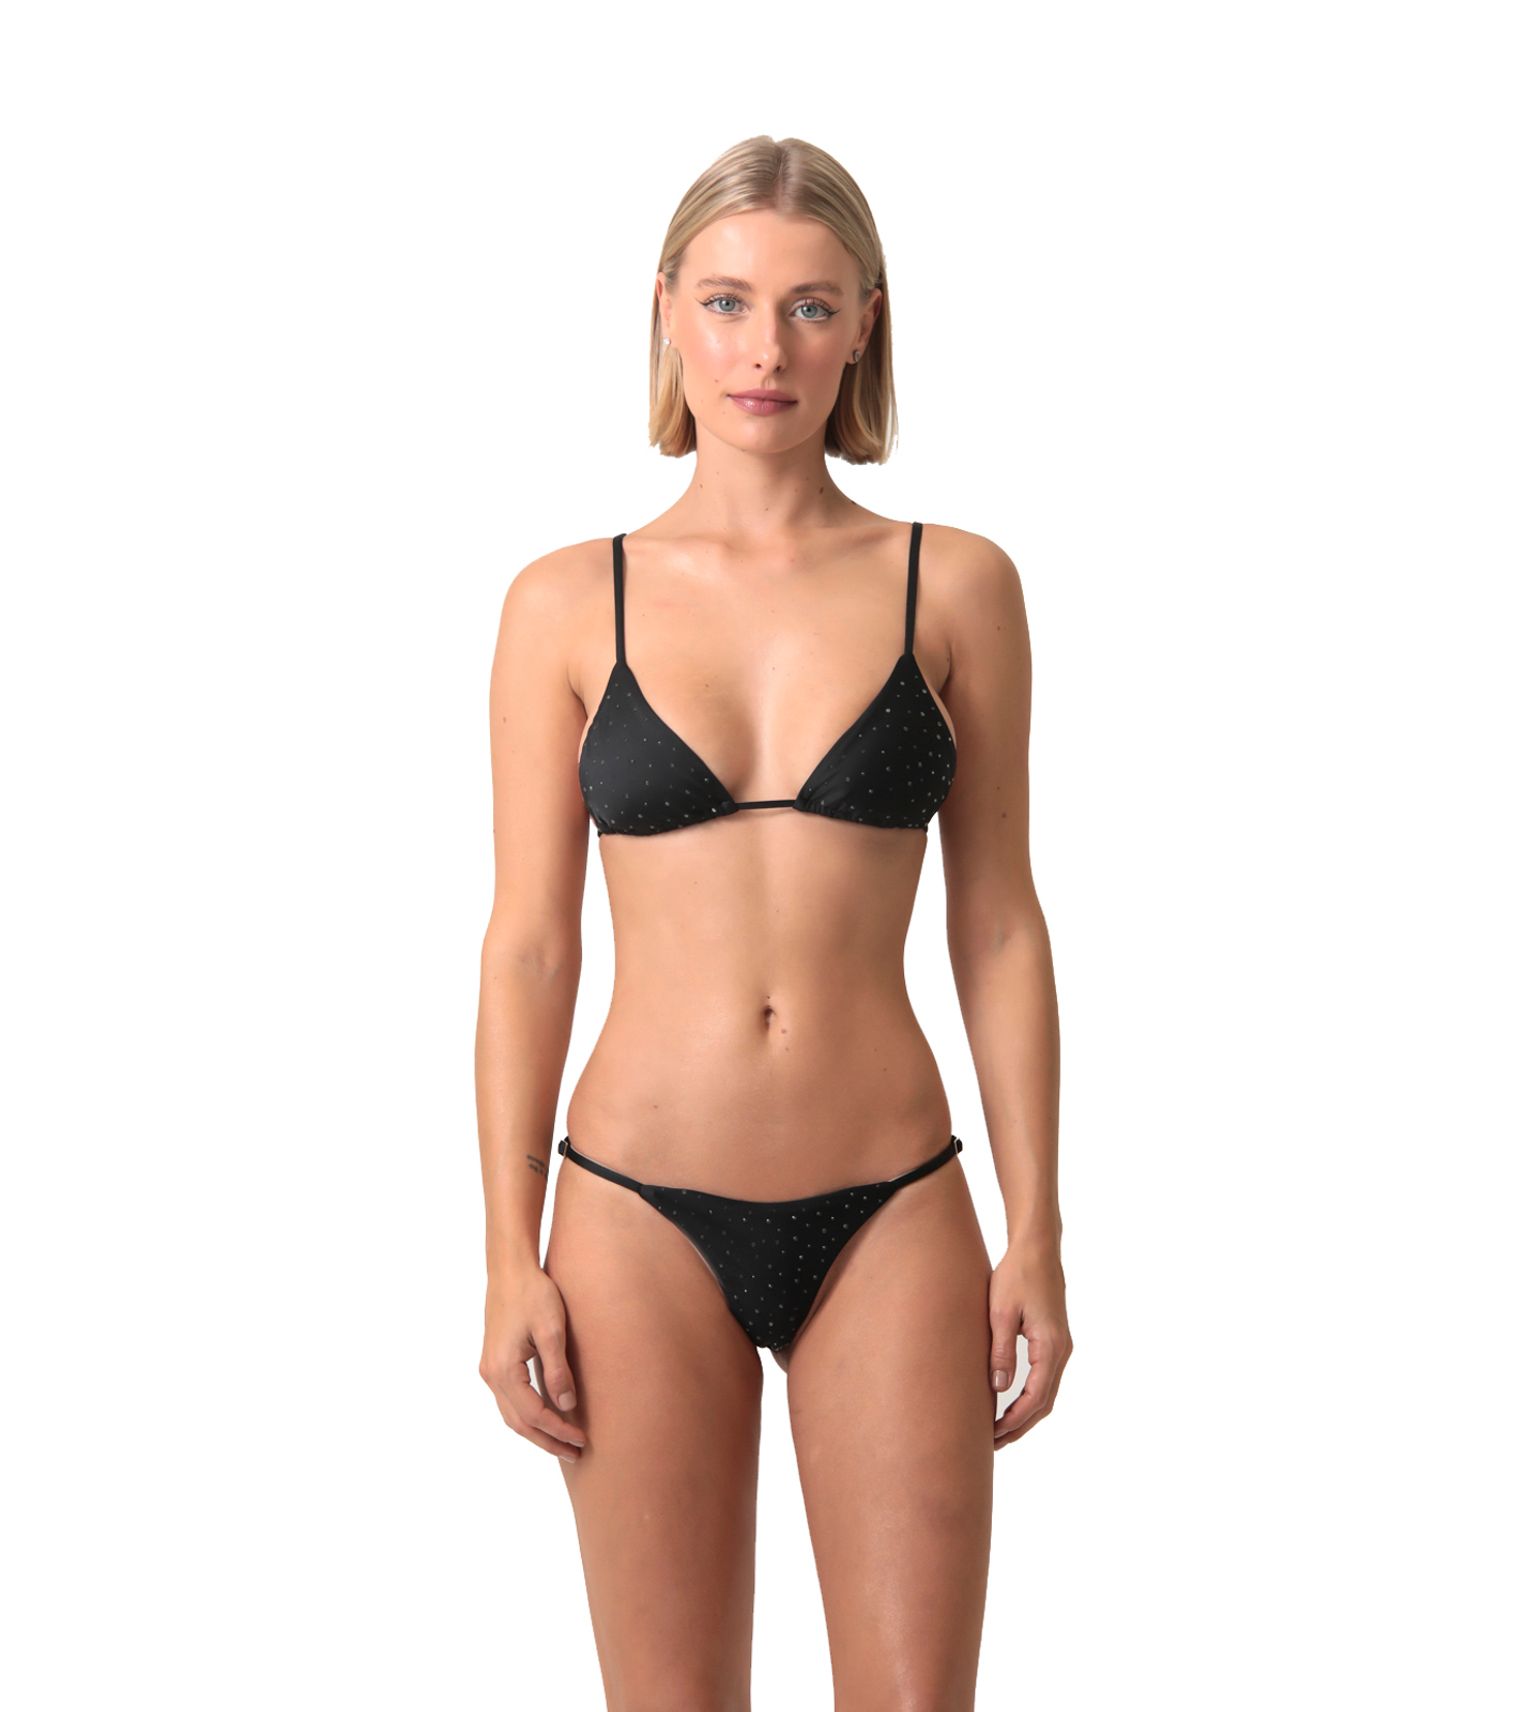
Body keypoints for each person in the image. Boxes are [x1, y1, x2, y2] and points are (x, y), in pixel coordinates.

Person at [475, 133, 1072, 1709]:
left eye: (810, 307)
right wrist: (504, 1254)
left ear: (864, 324)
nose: (765, 350)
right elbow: (529, 944)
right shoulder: (563, 601)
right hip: (631, 1212)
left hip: (892, 1198)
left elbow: (999, 926)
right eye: (728, 302)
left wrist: (1036, 1229)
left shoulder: (955, 585)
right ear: (666, 309)